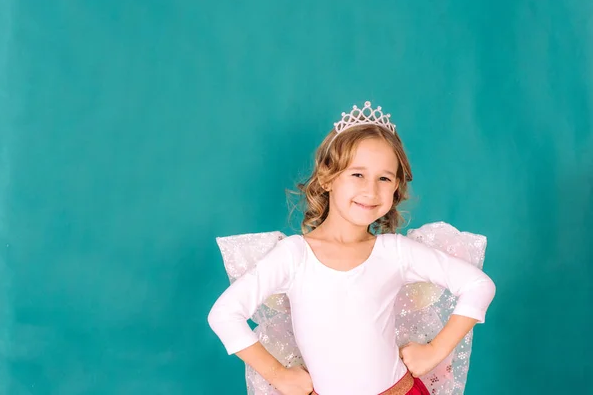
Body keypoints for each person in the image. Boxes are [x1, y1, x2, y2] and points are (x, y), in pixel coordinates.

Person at [208, 101, 496, 395]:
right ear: (327, 178)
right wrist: (279, 375)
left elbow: (478, 285)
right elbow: (224, 314)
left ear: (396, 188)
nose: (370, 190)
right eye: (357, 174)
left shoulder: (395, 252)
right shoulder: (294, 256)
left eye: (384, 178)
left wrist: (435, 351)